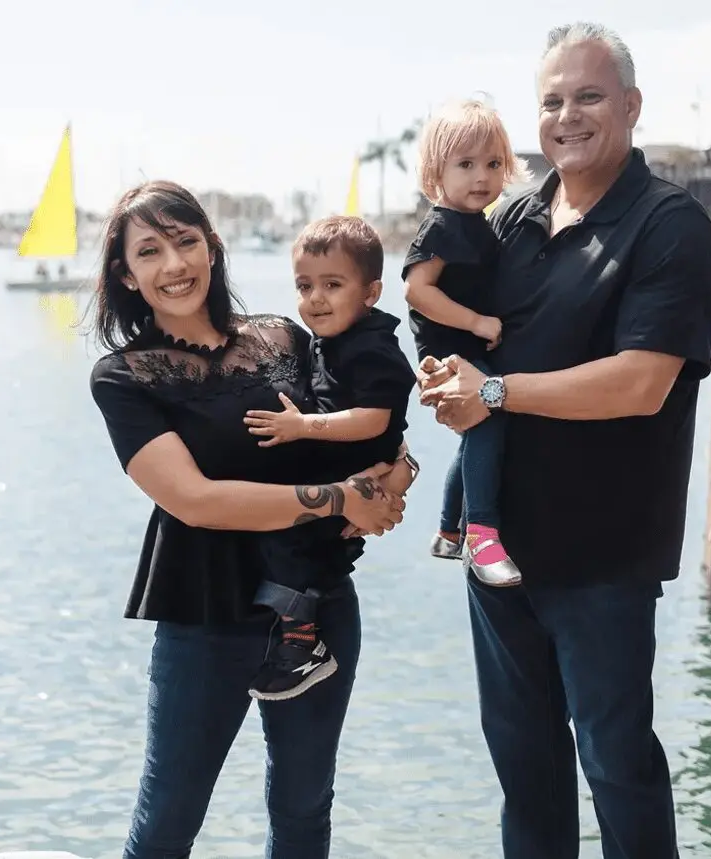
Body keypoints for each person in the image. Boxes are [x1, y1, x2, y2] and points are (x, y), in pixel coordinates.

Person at [417, 22, 711, 859]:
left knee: (616, 762)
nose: (568, 116)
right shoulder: (509, 221)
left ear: (630, 105)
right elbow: (453, 333)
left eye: (588, 95)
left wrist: (492, 390)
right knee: (526, 771)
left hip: (605, 555)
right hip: (500, 550)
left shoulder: (671, 226)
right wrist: (444, 378)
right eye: (551, 100)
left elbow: (641, 381)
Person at [88, 180, 416, 859]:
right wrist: (337, 499)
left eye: (184, 241)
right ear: (127, 274)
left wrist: (396, 476)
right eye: (149, 251)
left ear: (212, 246)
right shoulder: (123, 377)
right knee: (167, 822)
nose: (173, 264)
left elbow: (370, 423)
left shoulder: (287, 336)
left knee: (303, 810)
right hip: (203, 615)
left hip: (319, 608)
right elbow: (196, 500)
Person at [242, 215, 418, 701]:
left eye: (332, 284)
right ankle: (297, 634)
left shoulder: (372, 348)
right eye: (304, 285)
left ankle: (303, 645)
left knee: (292, 542)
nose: (314, 298)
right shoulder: (333, 339)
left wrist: (302, 427)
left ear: (371, 292)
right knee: (297, 546)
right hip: (342, 471)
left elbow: (374, 420)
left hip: (352, 468)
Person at [402, 98, 527, 586]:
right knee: (489, 424)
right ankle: (481, 534)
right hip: (450, 348)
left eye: (493, 164)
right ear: (438, 172)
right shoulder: (442, 225)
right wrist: (476, 322)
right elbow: (417, 290)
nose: (482, 177)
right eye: (466, 165)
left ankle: (447, 532)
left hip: (466, 347)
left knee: (478, 434)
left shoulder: (478, 224)